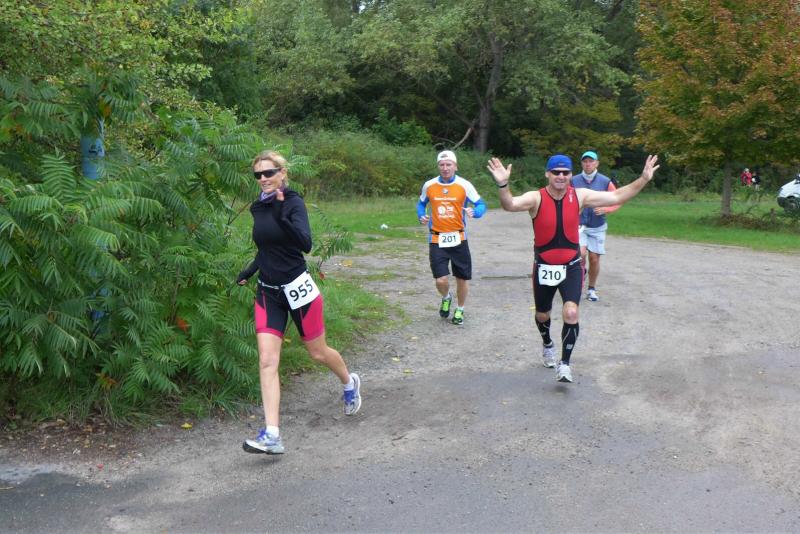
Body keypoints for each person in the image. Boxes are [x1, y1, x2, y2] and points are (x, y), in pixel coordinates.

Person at [487, 153, 660, 383]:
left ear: (571, 175)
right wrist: (502, 184)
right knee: (542, 314)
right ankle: (547, 343)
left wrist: (644, 179)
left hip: (571, 266)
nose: (561, 176)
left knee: (571, 312)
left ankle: (565, 364)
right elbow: (509, 204)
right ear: (547, 174)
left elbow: (617, 195)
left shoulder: (579, 196)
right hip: (544, 267)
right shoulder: (536, 198)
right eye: (556, 172)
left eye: (565, 172)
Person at [237, 150, 361, 455]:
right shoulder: (257, 207)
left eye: (269, 173)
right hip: (268, 292)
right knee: (267, 361)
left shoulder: (293, 202)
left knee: (318, 353)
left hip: (298, 289)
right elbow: (267, 247)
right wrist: (250, 271)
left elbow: (305, 244)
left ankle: (349, 382)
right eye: (258, 175)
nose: (263, 179)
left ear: (282, 173)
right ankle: (272, 435)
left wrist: (282, 214)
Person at [417, 150, 487, 325]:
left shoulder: (464, 185)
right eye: (442, 165)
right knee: (440, 279)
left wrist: (476, 212)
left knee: (462, 278)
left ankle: (460, 309)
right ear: (438, 167)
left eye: (449, 164)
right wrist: (421, 215)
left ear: (455, 166)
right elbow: (421, 203)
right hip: (437, 239)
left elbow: (481, 204)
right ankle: (446, 297)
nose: (445, 168)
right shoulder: (429, 185)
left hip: (458, 238)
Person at [571, 151, 620, 302]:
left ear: (597, 163)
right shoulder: (573, 180)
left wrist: (607, 209)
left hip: (597, 226)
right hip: (578, 225)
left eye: (591, 161)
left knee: (594, 258)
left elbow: (618, 199)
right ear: (582, 164)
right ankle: (579, 281)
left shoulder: (605, 181)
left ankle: (591, 289)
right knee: (580, 255)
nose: (588, 164)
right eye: (585, 161)